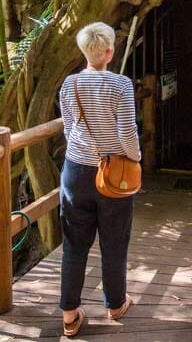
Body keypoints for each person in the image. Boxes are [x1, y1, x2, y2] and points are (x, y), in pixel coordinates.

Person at [57, 22, 141, 337]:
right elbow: (126, 133)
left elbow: (68, 128)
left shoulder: (69, 85)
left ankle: (69, 314)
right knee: (114, 240)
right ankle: (116, 303)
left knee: (74, 244)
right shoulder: (120, 85)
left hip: (75, 172)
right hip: (114, 173)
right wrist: (136, 159)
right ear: (109, 51)